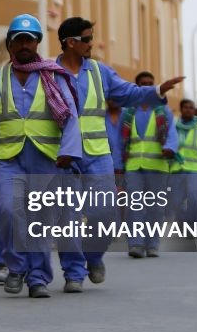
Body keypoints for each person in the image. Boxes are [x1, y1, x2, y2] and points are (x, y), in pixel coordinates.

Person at [55, 18, 183, 276]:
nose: (92, 44)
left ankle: (93, 256)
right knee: (67, 218)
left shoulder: (100, 72)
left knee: (105, 213)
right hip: (63, 157)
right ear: (71, 43)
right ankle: (73, 272)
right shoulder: (49, 74)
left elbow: (128, 93)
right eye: (88, 39)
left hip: (97, 155)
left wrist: (157, 90)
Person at [0, 14, 81, 298]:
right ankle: (17, 266)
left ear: (37, 42)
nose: (24, 44)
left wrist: (68, 152)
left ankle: (38, 278)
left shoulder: (53, 76)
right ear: (10, 45)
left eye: (29, 39)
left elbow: (71, 116)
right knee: (6, 211)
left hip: (45, 158)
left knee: (40, 220)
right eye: (18, 40)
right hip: (9, 159)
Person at [121, 72, 178, 257]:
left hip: (158, 166)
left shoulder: (163, 111)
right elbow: (118, 139)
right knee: (134, 205)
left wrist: (170, 147)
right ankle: (136, 244)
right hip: (133, 166)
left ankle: (152, 244)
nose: (147, 86)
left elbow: (172, 134)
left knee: (155, 208)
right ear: (137, 88)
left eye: (150, 83)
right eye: (143, 84)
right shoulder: (128, 111)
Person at [170, 99, 197, 225]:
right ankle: (181, 222)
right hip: (176, 170)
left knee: (194, 199)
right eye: (186, 107)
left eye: (191, 107)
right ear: (181, 109)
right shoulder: (173, 128)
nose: (188, 110)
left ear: (194, 111)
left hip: (194, 170)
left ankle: (192, 225)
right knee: (176, 201)